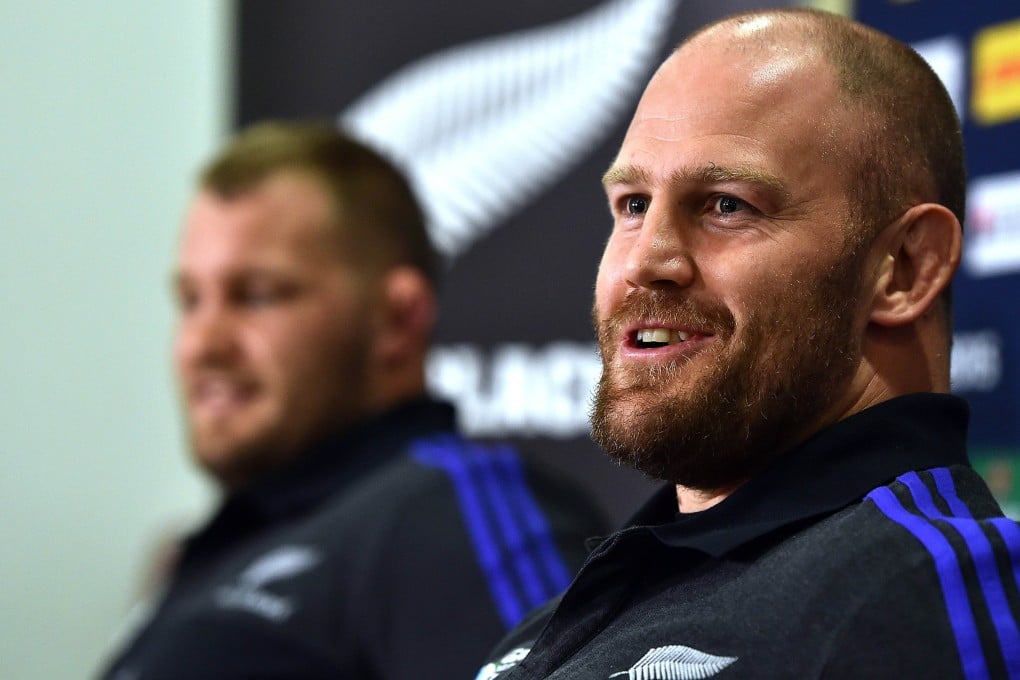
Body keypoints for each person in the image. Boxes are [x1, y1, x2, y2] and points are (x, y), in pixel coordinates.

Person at [476, 8, 1020, 679]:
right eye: (634, 205)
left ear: (904, 269)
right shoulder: (569, 612)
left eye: (727, 204)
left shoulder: (928, 591)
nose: (646, 261)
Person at [97, 122, 607, 680]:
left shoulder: (448, 507)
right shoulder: (209, 552)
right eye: (191, 300)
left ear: (396, 319)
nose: (202, 344)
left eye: (258, 295)